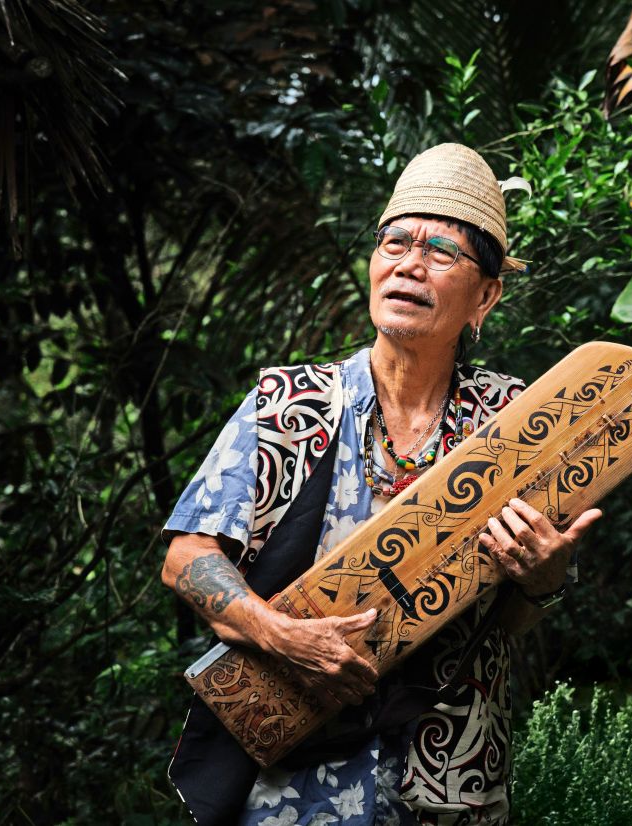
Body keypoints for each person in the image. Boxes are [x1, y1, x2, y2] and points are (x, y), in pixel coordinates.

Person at [160, 143, 602, 825]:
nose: (409, 264)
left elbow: (512, 621)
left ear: (485, 295)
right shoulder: (289, 406)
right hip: (293, 791)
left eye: (442, 252)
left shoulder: (516, 424)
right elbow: (186, 558)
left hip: (452, 787)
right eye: (395, 243)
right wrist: (283, 636)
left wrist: (544, 575)